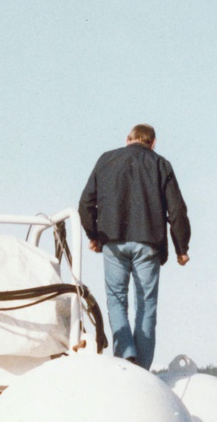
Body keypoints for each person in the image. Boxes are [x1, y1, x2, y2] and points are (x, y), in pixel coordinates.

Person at [79, 124, 190, 371]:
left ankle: (125, 352)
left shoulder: (106, 160)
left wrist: (94, 235)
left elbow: (85, 203)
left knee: (116, 299)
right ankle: (142, 368)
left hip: (113, 242)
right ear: (153, 143)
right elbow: (177, 210)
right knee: (146, 305)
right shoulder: (161, 164)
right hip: (148, 243)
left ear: (127, 139)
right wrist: (182, 247)